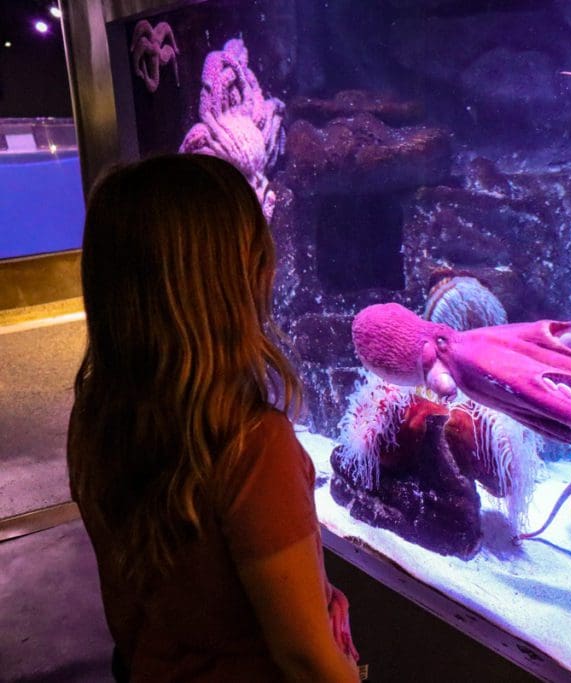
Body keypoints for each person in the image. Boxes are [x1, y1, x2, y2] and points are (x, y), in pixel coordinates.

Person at [67, 154, 359, 682]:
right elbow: (307, 659)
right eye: (259, 251)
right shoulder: (253, 445)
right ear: (229, 282)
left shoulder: (95, 415)